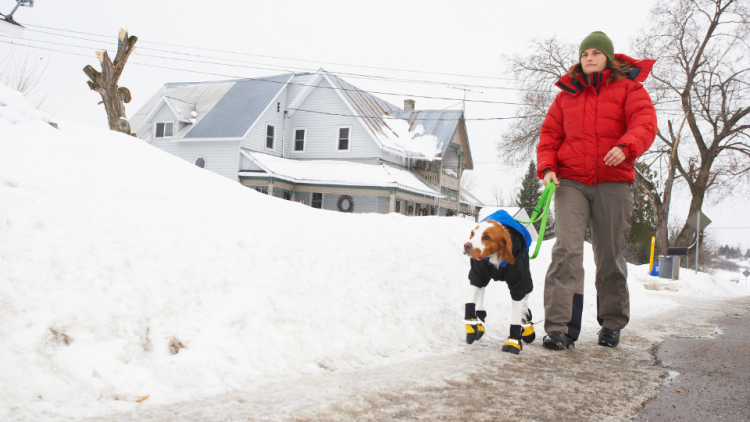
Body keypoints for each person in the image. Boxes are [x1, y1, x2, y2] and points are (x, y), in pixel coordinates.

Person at [536, 31, 657, 350]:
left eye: (595, 53)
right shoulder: (565, 96)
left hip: (614, 181)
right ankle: (561, 328)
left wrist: (626, 145)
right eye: (584, 53)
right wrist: (547, 167)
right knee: (567, 251)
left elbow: (644, 124)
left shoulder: (630, 89)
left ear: (608, 57)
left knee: (609, 254)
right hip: (570, 182)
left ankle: (612, 323)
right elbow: (549, 135)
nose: (588, 57)